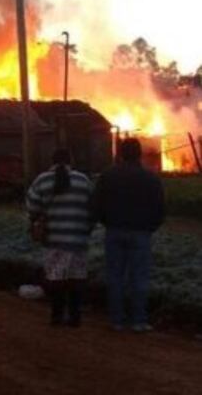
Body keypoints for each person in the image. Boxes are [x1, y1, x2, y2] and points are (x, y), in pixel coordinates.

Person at [94, 138, 165, 332]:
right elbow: (160, 208)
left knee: (115, 276)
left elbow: (97, 204)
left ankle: (116, 320)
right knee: (139, 277)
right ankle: (139, 320)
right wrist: (150, 227)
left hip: (115, 231)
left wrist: (107, 222)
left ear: (120, 154)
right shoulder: (150, 178)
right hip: (141, 233)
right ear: (140, 154)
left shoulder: (107, 176)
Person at [26, 149, 95, 326]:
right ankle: (75, 317)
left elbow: (32, 206)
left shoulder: (42, 180)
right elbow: (93, 207)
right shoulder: (83, 180)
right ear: (71, 160)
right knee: (76, 279)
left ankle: (56, 316)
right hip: (78, 240)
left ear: (52, 161)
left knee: (56, 278)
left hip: (54, 239)